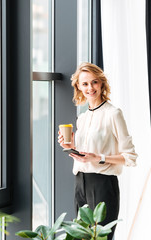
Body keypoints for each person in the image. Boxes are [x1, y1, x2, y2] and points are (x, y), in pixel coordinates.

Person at [58, 62, 137, 240]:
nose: (90, 88)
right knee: (81, 237)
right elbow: (85, 154)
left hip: (102, 185)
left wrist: (98, 157)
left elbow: (130, 157)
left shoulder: (113, 114)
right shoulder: (82, 118)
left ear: (101, 83)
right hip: (80, 183)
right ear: (78, 86)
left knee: (101, 238)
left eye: (94, 82)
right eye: (84, 84)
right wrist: (71, 147)